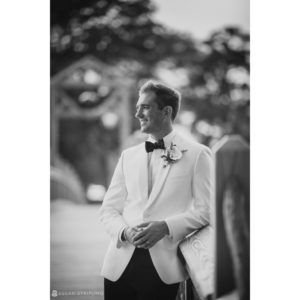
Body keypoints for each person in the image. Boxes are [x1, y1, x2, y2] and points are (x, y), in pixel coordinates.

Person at [99, 80, 212, 300]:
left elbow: (206, 210)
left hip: (164, 268)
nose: (138, 114)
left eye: (145, 107)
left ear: (166, 111)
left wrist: (165, 227)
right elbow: (108, 210)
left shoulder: (198, 154)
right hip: (118, 266)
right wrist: (126, 231)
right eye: (137, 107)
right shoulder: (127, 157)